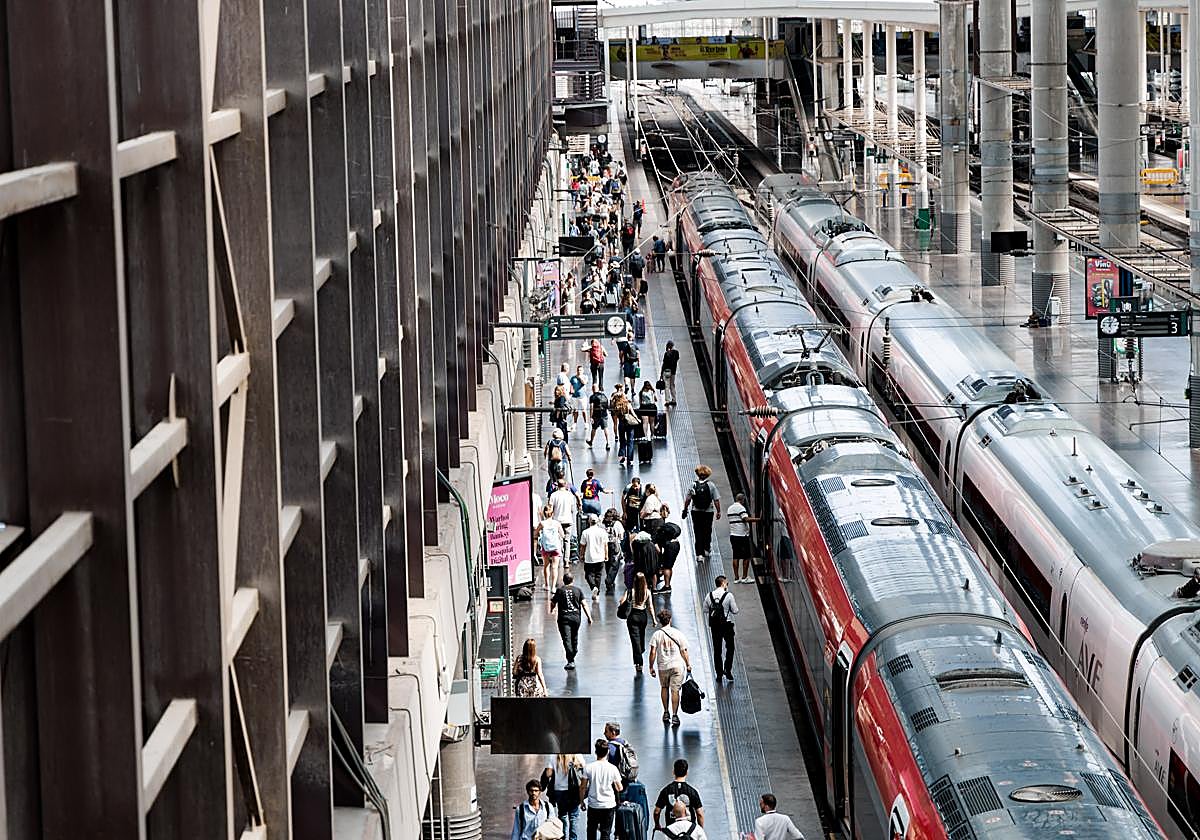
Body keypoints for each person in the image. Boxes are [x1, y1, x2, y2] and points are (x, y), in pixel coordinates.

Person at [648, 609, 692, 726]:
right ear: (670, 620)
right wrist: (688, 664)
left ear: (660, 621)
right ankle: (675, 716)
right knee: (675, 691)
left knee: (664, 687)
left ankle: (666, 712)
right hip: (677, 666)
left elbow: (652, 652)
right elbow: (684, 650)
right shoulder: (678, 633)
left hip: (663, 666)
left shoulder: (656, 635)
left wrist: (651, 667)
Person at [580, 738, 623, 840]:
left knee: (591, 831)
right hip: (608, 805)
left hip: (593, 805)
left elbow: (582, 787)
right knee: (605, 833)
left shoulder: (588, 768)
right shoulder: (613, 768)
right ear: (607, 752)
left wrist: (582, 801)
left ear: (595, 752)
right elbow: (619, 787)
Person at [550, 573, 592, 670]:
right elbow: (584, 604)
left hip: (564, 618)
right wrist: (589, 617)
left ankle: (570, 660)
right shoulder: (578, 590)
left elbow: (553, 602)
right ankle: (574, 650)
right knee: (574, 636)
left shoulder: (560, 590)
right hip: (576, 618)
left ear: (563, 580)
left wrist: (552, 610)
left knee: (566, 639)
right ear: (573, 580)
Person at [619, 572, 657, 672]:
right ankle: (641, 650)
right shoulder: (647, 592)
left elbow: (621, 601)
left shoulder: (630, 591)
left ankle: (638, 663)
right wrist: (654, 620)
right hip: (643, 616)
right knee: (641, 636)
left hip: (633, 616)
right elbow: (650, 607)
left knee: (634, 641)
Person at [704, 575, 739, 682]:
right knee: (730, 648)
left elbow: (705, 610)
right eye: (727, 584)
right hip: (727, 626)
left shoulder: (709, 595)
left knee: (717, 650)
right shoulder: (729, 596)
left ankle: (719, 674)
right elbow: (735, 610)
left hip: (715, 626)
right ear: (723, 584)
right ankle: (727, 670)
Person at [542, 754, 586, 840]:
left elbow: (548, 774)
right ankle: (573, 838)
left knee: (562, 816)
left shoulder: (553, 756)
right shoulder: (577, 755)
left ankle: (563, 837)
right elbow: (584, 771)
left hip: (559, 790)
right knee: (574, 817)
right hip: (574, 791)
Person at [682, 465, 721, 560]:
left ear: (697, 474)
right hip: (708, 512)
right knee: (707, 530)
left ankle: (699, 554)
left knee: (698, 531)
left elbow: (688, 499)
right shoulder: (711, 485)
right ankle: (706, 549)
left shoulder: (693, 485)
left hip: (696, 512)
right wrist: (718, 511)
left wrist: (685, 509)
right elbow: (716, 499)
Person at [653, 759, 705, 831]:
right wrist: (700, 830)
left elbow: (656, 811)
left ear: (673, 772)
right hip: (689, 830)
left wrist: (657, 824)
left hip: (672, 830)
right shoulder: (692, 792)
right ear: (687, 772)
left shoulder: (666, 790)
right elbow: (699, 814)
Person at [727, 493, 757, 583]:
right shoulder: (741, 508)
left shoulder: (730, 508)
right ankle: (744, 577)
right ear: (742, 500)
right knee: (746, 557)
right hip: (742, 536)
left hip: (733, 535)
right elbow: (745, 519)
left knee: (735, 556)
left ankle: (736, 578)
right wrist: (758, 519)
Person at [579, 514, 610, 599]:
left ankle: (593, 587)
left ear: (589, 521)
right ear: (598, 521)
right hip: (600, 556)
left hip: (589, 557)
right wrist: (606, 555)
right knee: (598, 575)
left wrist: (581, 555)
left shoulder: (585, 532)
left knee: (588, 574)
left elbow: (583, 545)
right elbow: (605, 545)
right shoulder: (603, 532)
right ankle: (597, 593)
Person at [536, 506, 567, 591]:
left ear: (544, 513)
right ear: (552, 513)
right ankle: (553, 587)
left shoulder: (542, 523)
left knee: (546, 565)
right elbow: (563, 535)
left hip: (546, 547)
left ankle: (547, 585)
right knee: (554, 567)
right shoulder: (557, 523)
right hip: (556, 547)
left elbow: (535, 534)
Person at [549, 478, 581, 558]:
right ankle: (566, 560)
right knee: (567, 541)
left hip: (557, 521)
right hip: (568, 520)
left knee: (558, 540)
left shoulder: (553, 495)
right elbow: (572, 509)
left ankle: (558, 558)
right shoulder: (570, 495)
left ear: (557, 485)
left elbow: (550, 509)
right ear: (565, 485)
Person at [652, 510, 682, 592]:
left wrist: (660, 560)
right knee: (669, 566)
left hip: (670, 547)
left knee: (667, 567)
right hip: (676, 544)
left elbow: (658, 549)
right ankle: (667, 584)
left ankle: (667, 586)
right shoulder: (665, 528)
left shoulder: (657, 536)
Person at [602, 508, 625, 594]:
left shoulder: (602, 523)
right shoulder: (617, 523)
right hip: (615, 544)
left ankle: (610, 580)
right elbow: (621, 536)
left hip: (605, 545)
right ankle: (609, 580)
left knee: (607, 563)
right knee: (615, 564)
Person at [586, 384, 611, 450]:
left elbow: (591, 407)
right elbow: (607, 405)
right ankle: (608, 443)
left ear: (592, 389)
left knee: (594, 428)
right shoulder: (604, 395)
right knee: (606, 428)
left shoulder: (592, 397)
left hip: (596, 416)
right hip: (604, 415)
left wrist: (591, 417)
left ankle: (591, 442)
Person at [660, 341, 680, 407]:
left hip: (666, 372)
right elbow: (676, 360)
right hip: (673, 372)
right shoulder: (676, 353)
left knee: (667, 386)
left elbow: (664, 364)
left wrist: (661, 374)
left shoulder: (667, 354)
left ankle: (667, 401)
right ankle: (674, 400)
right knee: (672, 386)